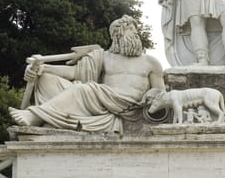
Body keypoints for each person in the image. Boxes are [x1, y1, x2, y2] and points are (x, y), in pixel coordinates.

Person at [9, 15, 166, 133]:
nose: (135, 33)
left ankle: (33, 116)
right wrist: (42, 68)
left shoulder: (150, 62)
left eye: (135, 30)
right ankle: (53, 118)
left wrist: (153, 93)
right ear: (117, 35)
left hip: (129, 106)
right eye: (130, 29)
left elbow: (161, 93)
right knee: (46, 79)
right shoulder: (103, 57)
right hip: (101, 103)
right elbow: (73, 72)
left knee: (84, 89)